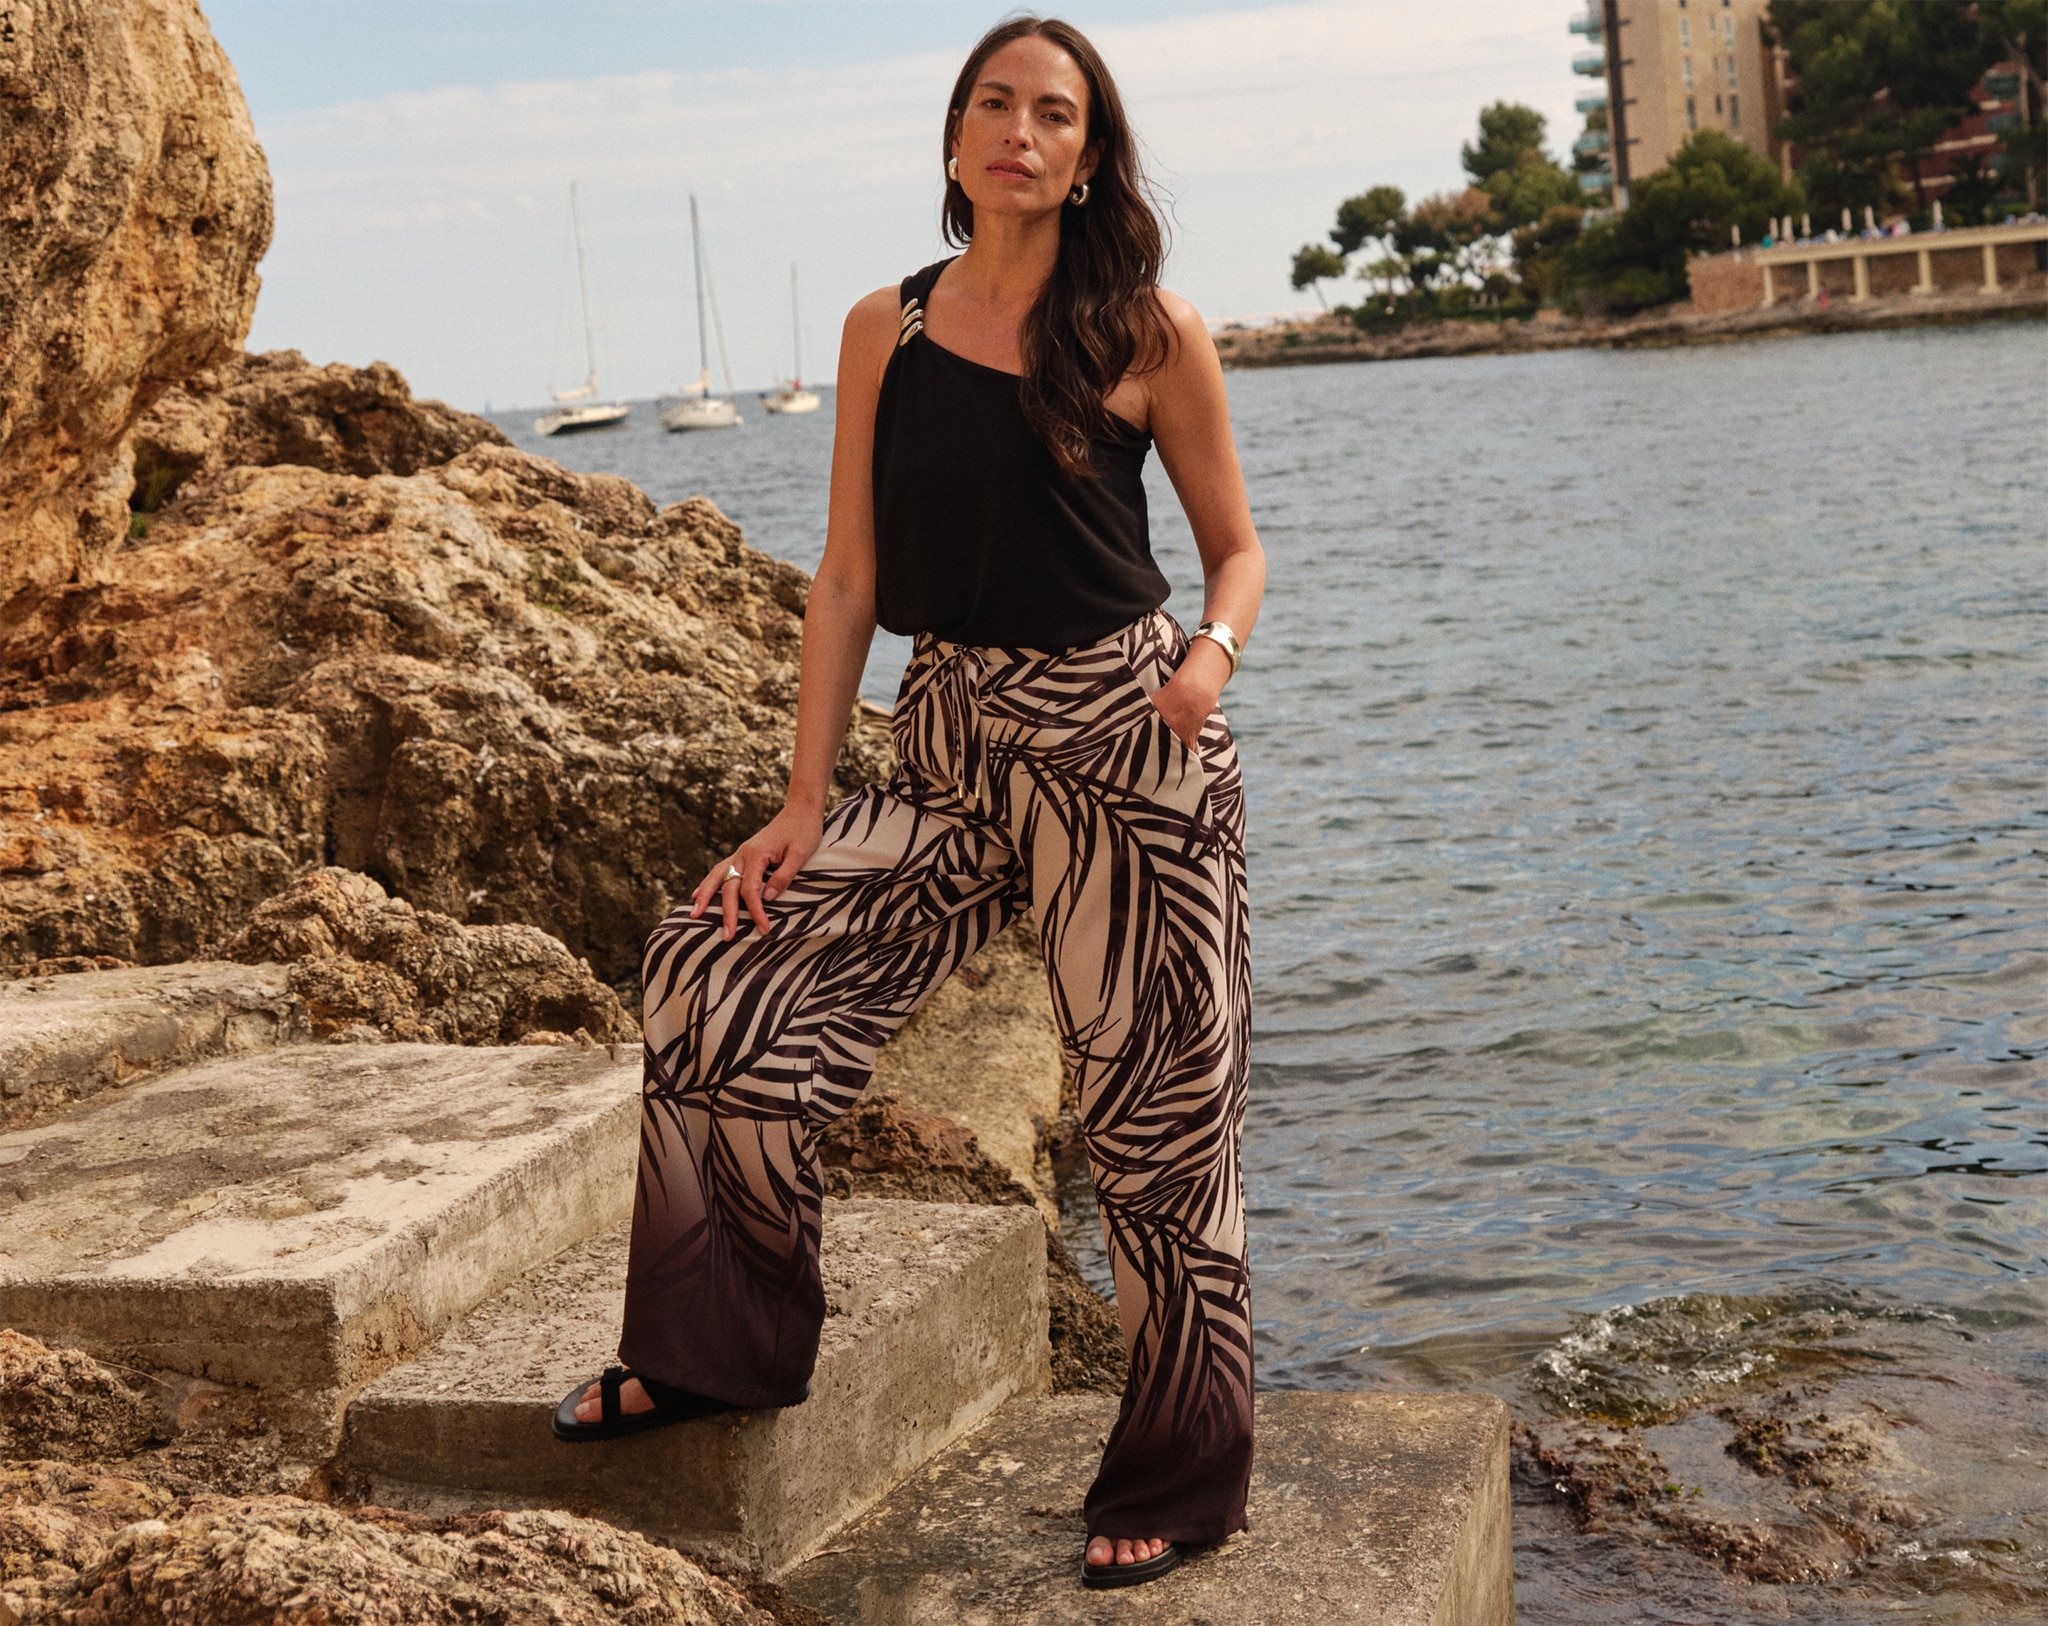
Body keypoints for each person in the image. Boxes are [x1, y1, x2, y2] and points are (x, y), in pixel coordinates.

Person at [551, 13, 1266, 1593]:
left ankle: (1183, 1473)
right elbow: (849, 579)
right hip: (947, 740)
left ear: (1091, 158)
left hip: (1126, 747)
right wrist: (805, 797)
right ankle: (716, 1349)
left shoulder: (1148, 330)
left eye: (1055, 113)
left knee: (1158, 1119)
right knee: (712, 967)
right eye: (994, 104)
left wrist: (1210, 659)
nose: (1021, 130)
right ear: (954, 138)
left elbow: (1238, 550)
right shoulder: (889, 324)